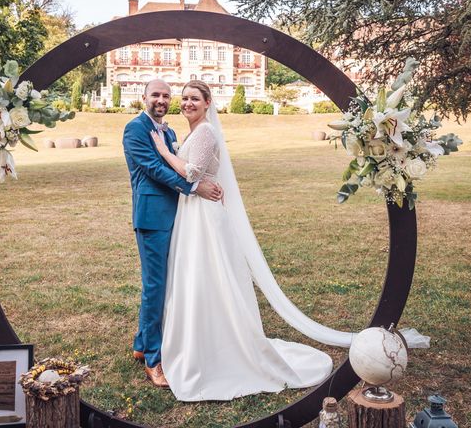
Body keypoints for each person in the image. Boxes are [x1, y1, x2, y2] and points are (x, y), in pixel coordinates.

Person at [150, 80, 333, 400]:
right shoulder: (194, 131)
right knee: (195, 276)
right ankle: (198, 339)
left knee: (210, 276)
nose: (187, 103)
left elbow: (192, 173)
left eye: (194, 98)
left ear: (208, 103)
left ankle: (218, 344)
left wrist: (164, 151)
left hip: (205, 217)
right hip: (193, 213)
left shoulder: (205, 132)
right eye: (185, 99)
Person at [122, 79, 223, 389]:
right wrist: (194, 187)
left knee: (165, 284)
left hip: (179, 216)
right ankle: (154, 360)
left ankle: (142, 343)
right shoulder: (136, 129)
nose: (162, 100)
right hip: (152, 217)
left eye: (166, 95)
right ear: (144, 97)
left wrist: (192, 184)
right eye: (156, 94)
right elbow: (154, 169)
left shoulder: (170, 132)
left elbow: (182, 164)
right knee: (155, 285)